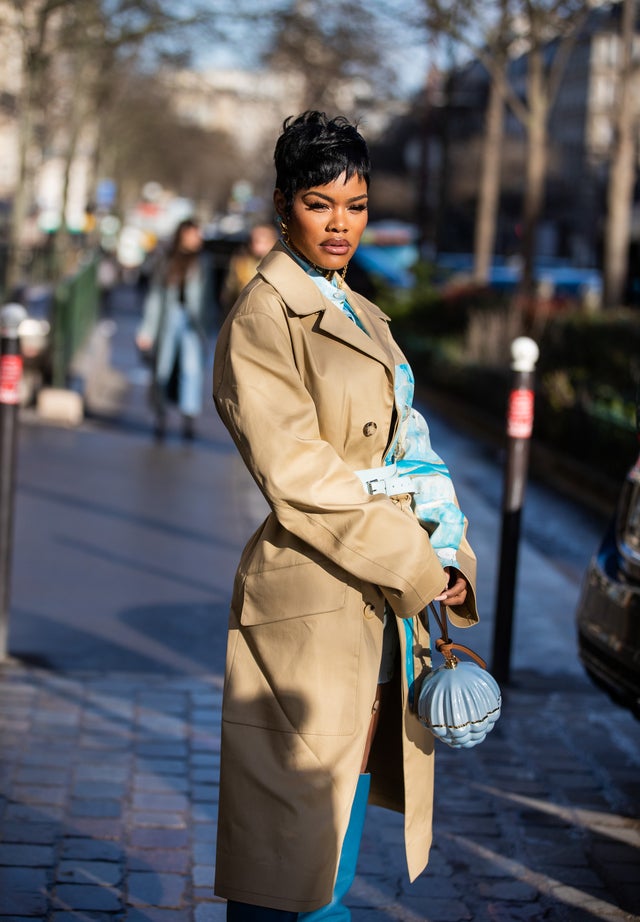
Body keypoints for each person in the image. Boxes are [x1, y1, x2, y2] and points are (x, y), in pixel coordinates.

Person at [212, 111, 479, 921]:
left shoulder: (361, 310)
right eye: (320, 203)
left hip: (384, 597)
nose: (340, 224)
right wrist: (415, 563)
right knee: (290, 861)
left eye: (356, 205)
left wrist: (453, 550)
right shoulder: (266, 315)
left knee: (339, 833)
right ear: (283, 204)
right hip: (314, 598)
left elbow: (416, 445)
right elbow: (301, 477)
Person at [136, 218, 208, 440]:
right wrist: (146, 330)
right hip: (169, 319)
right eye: (192, 234)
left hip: (193, 323)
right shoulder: (167, 260)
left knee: (191, 370)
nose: (196, 238)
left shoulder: (204, 262)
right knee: (162, 369)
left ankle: (189, 419)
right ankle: (161, 417)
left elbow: (210, 301)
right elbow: (155, 298)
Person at [219, 222, 278, 319]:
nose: (256, 244)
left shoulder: (278, 264)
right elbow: (230, 289)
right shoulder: (240, 261)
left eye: (262, 241)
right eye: (254, 240)